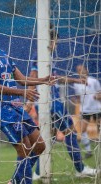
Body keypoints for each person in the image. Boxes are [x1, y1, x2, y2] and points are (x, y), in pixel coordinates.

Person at [0, 14, 56, 184]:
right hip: (2, 110)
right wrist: (22, 93)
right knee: (24, 151)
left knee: (39, 146)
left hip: (16, 107)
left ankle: (15, 181)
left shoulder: (2, 53)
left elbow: (21, 79)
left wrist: (42, 79)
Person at [24, 27, 97, 180]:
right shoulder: (41, 56)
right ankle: (80, 168)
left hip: (47, 103)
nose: (56, 44)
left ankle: (38, 173)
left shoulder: (47, 57)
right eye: (55, 41)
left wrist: (76, 80)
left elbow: (56, 78)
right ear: (51, 41)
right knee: (70, 132)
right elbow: (32, 76)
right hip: (51, 103)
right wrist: (29, 100)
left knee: (47, 137)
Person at [73, 64, 101, 159]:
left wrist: (97, 96)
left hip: (97, 108)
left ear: (86, 70)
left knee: (99, 128)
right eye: (79, 70)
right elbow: (78, 98)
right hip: (85, 110)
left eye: (83, 69)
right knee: (83, 129)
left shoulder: (94, 81)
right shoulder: (76, 84)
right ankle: (89, 151)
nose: (82, 71)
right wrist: (75, 101)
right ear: (77, 72)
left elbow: (100, 94)